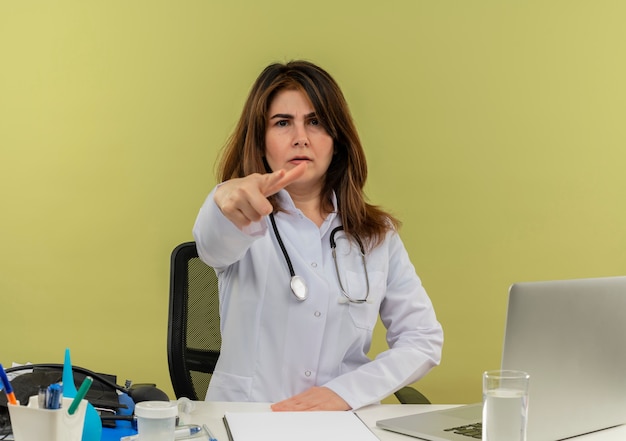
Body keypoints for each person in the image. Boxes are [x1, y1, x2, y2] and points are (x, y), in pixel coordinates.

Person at [192, 60, 443, 411]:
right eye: (282, 123)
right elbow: (211, 245)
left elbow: (423, 339)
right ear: (260, 140)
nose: (300, 137)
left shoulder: (377, 236)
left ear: (336, 140)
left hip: (342, 424)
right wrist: (223, 202)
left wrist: (345, 393)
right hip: (249, 419)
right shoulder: (241, 215)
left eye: (315, 121)